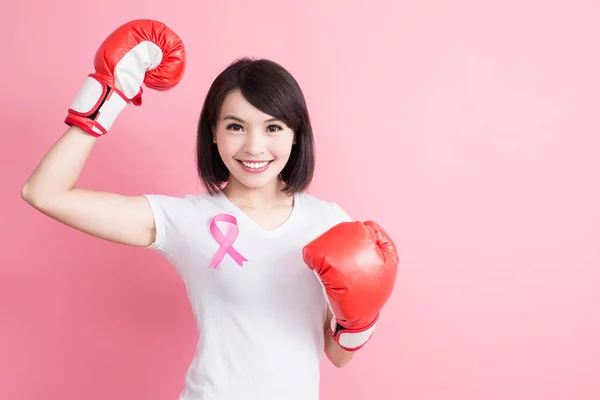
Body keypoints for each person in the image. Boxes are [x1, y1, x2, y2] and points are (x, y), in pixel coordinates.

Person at [21, 19, 399, 400]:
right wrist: (110, 94)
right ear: (213, 132)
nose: (254, 147)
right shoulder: (187, 220)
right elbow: (44, 193)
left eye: (273, 128)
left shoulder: (329, 223)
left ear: (296, 134)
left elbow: (337, 356)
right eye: (236, 127)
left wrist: (361, 317)